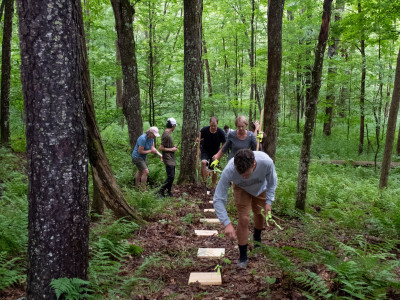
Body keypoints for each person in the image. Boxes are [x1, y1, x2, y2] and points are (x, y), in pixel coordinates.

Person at [213, 149, 277, 268]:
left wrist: (268, 202)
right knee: (244, 218)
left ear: (254, 164)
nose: (243, 176)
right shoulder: (229, 170)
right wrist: (227, 223)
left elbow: (272, 182)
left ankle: (257, 238)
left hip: (261, 189)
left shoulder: (266, 162)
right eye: (240, 174)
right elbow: (218, 198)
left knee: (259, 214)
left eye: (246, 174)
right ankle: (243, 256)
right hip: (241, 189)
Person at [131, 127, 163, 191]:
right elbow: (140, 151)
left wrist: (161, 155)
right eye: (154, 135)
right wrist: (150, 151)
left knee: (140, 171)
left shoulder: (152, 139)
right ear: (150, 133)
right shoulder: (142, 139)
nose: (155, 136)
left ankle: (136, 187)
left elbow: (153, 149)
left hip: (143, 157)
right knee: (146, 171)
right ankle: (143, 190)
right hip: (137, 157)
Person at [200, 116, 226, 188]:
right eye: (212, 125)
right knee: (203, 163)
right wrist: (198, 147)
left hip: (215, 152)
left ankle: (213, 186)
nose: (213, 127)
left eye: (215, 126)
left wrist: (219, 154)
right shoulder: (204, 130)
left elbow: (224, 144)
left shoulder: (220, 132)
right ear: (210, 124)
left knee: (214, 168)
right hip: (205, 150)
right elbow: (198, 138)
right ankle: (204, 182)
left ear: (217, 124)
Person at [158, 118, 178, 197]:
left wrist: (173, 147)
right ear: (173, 126)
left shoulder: (168, 134)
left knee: (172, 176)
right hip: (168, 158)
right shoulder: (166, 135)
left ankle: (169, 191)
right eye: (175, 126)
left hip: (171, 158)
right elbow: (161, 147)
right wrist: (172, 149)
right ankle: (161, 191)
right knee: (171, 176)